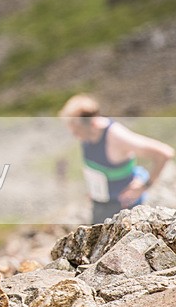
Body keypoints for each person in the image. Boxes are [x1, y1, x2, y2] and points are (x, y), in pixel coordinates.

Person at [59, 94, 174, 224]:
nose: (76, 136)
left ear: (92, 123)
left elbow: (164, 153)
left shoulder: (117, 137)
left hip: (124, 210)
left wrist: (145, 185)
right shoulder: (88, 135)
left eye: (76, 131)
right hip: (101, 205)